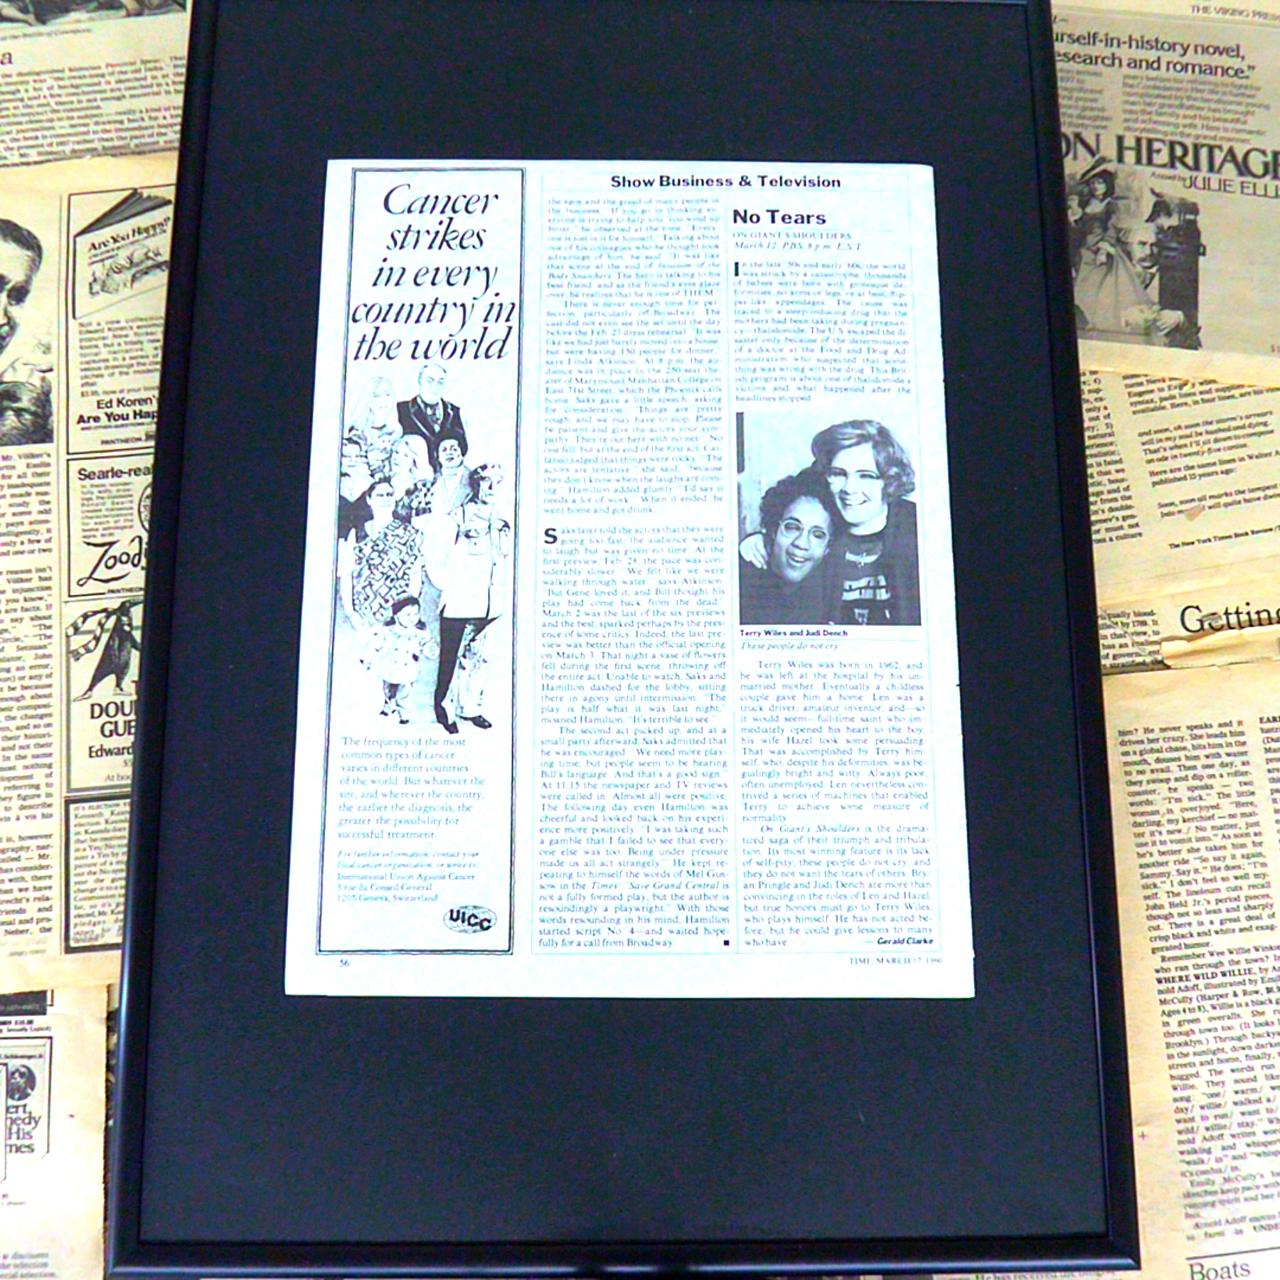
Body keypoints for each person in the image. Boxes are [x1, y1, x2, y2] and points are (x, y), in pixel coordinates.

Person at [811, 420, 921, 625]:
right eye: (838, 474)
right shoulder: (820, 522)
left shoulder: (918, 527)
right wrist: (763, 537)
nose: (849, 488)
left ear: (888, 480)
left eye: (866, 476)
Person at [430, 464, 510, 734]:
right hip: (460, 604)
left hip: (490, 605)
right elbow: (434, 559)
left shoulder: (500, 521)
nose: (492, 487)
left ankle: (471, 708)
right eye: (486, 481)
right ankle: (445, 711)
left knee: (479, 658)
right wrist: (453, 588)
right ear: (476, 484)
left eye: (497, 482)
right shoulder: (457, 518)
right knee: (450, 660)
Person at [739, 470, 838, 625]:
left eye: (817, 535)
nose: (801, 543)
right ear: (773, 529)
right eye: (792, 527)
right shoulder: (741, 584)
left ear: (827, 548)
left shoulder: (828, 591)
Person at [337, 478, 424, 631]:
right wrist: (351, 614)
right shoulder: (357, 533)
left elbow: (415, 574)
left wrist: (407, 613)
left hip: (398, 614)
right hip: (363, 615)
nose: (385, 499)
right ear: (369, 500)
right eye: (380, 495)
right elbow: (346, 574)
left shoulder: (410, 534)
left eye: (389, 494)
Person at [368, 595, 434, 724]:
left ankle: (404, 713)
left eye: (415, 614)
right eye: (407, 614)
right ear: (396, 615)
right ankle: (389, 705)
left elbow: (426, 643)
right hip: (390, 665)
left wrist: (430, 649)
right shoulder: (388, 630)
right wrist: (368, 657)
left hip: (407, 666)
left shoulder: (420, 631)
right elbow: (376, 643)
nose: (412, 618)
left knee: (404, 692)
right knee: (388, 689)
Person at [397, 361, 466, 454]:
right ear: (420, 381)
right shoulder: (401, 410)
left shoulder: (454, 411)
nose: (435, 387)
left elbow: (463, 447)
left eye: (440, 382)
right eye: (430, 381)